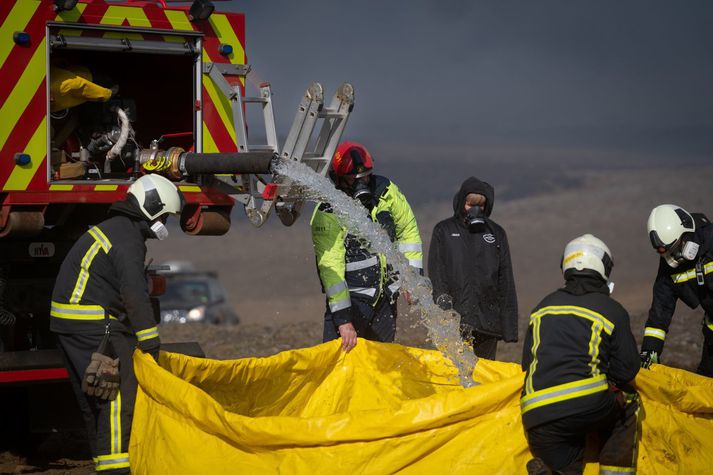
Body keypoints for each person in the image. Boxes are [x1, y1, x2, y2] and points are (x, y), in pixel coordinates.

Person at [50, 174, 183, 474]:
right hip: (93, 325)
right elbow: (134, 294)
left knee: (94, 397)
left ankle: (103, 462)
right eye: (165, 217)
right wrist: (151, 345)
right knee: (117, 397)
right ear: (152, 208)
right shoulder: (128, 240)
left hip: (70, 324)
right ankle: (117, 470)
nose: (165, 225)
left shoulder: (116, 229)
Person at [521, 234, 640, 475]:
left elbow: (527, 364)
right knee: (629, 401)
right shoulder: (611, 310)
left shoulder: (542, 307)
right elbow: (627, 370)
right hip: (588, 403)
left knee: (567, 469)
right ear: (603, 268)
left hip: (536, 414)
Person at [311, 141, 422, 352]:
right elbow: (330, 267)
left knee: (382, 365)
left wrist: (411, 278)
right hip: (352, 302)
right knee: (339, 366)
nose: (362, 183)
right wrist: (343, 321)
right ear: (339, 179)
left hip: (386, 299)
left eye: (366, 176)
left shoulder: (387, 192)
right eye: (354, 179)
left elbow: (409, 233)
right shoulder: (329, 211)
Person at [428, 176, 517, 359]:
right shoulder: (443, 230)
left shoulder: (496, 233)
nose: (475, 210)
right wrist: (444, 312)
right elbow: (437, 273)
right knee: (453, 374)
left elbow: (505, 279)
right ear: (461, 202)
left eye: (481, 206)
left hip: (487, 324)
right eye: (470, 204)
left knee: (483, 376)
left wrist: (509, 328)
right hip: (454, 322)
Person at [641, 204, 713, 376]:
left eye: (673, 249)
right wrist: (650, 351)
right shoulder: (669, 265)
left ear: (685, 235)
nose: (672, 258)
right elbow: (660, 309)